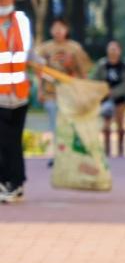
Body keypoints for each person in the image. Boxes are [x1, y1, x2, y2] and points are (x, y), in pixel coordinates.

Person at [34, 16, 92, 163]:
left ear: (66, 30)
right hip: (51, 94)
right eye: (55, 28)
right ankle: (57, 155)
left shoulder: (75, 48)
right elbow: (39, 72)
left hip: (70, 94)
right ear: (51, 30)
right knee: (55, 125)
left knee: (69, 125)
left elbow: (83, 72)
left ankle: (70, 155)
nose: (58, 31)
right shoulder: (45, 49)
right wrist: (40, 90)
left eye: (61, 27)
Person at [0, 0, 32, 203]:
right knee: (4, 142)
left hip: (19, 95)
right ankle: (8, 183)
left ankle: (15, 184)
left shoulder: (21, 21)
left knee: (13, 142)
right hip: (0, 96)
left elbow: (30, 52)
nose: (6, 1)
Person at [92, 40, 125, 157]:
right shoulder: (102, 65)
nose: (113, 52)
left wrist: (114, 92)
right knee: (106, 124)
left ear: (119, 51)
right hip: (105, 99)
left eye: (115, 49)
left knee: (120, 123)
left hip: (121, 98)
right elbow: (94, 79)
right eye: (110, 49)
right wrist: (102, 90)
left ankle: (120, 149)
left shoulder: (124, 65)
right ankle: (107, 150)